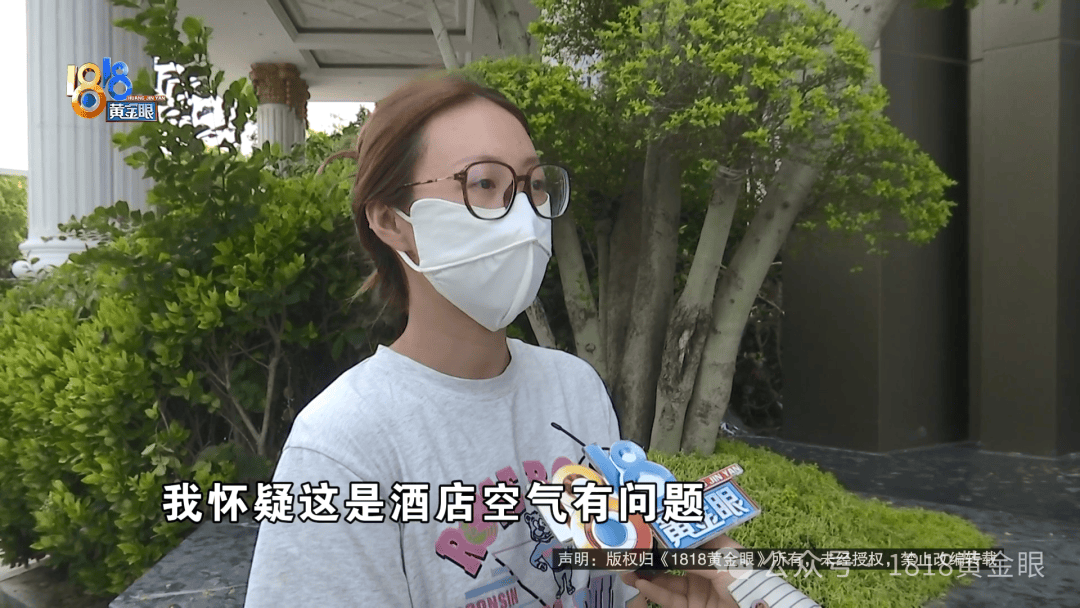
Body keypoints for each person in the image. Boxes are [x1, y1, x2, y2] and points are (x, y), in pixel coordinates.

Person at [243, 72, 810, 608]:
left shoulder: (573, 387)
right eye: (484, 183)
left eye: (534, 185)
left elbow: (604, 589)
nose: (523, 213)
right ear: (391, 221)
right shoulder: (341, 449)